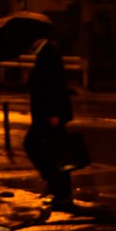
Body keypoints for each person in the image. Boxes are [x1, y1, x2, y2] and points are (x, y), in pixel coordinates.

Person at [23, 36, 75, 212]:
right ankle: (57, 188)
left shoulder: (50, 53)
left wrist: (54, 113)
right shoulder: (44, 54)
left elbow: (55, 84)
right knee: (55, 152)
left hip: (49, 115)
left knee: (40, 147)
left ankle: (60, 190)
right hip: (45, 115)